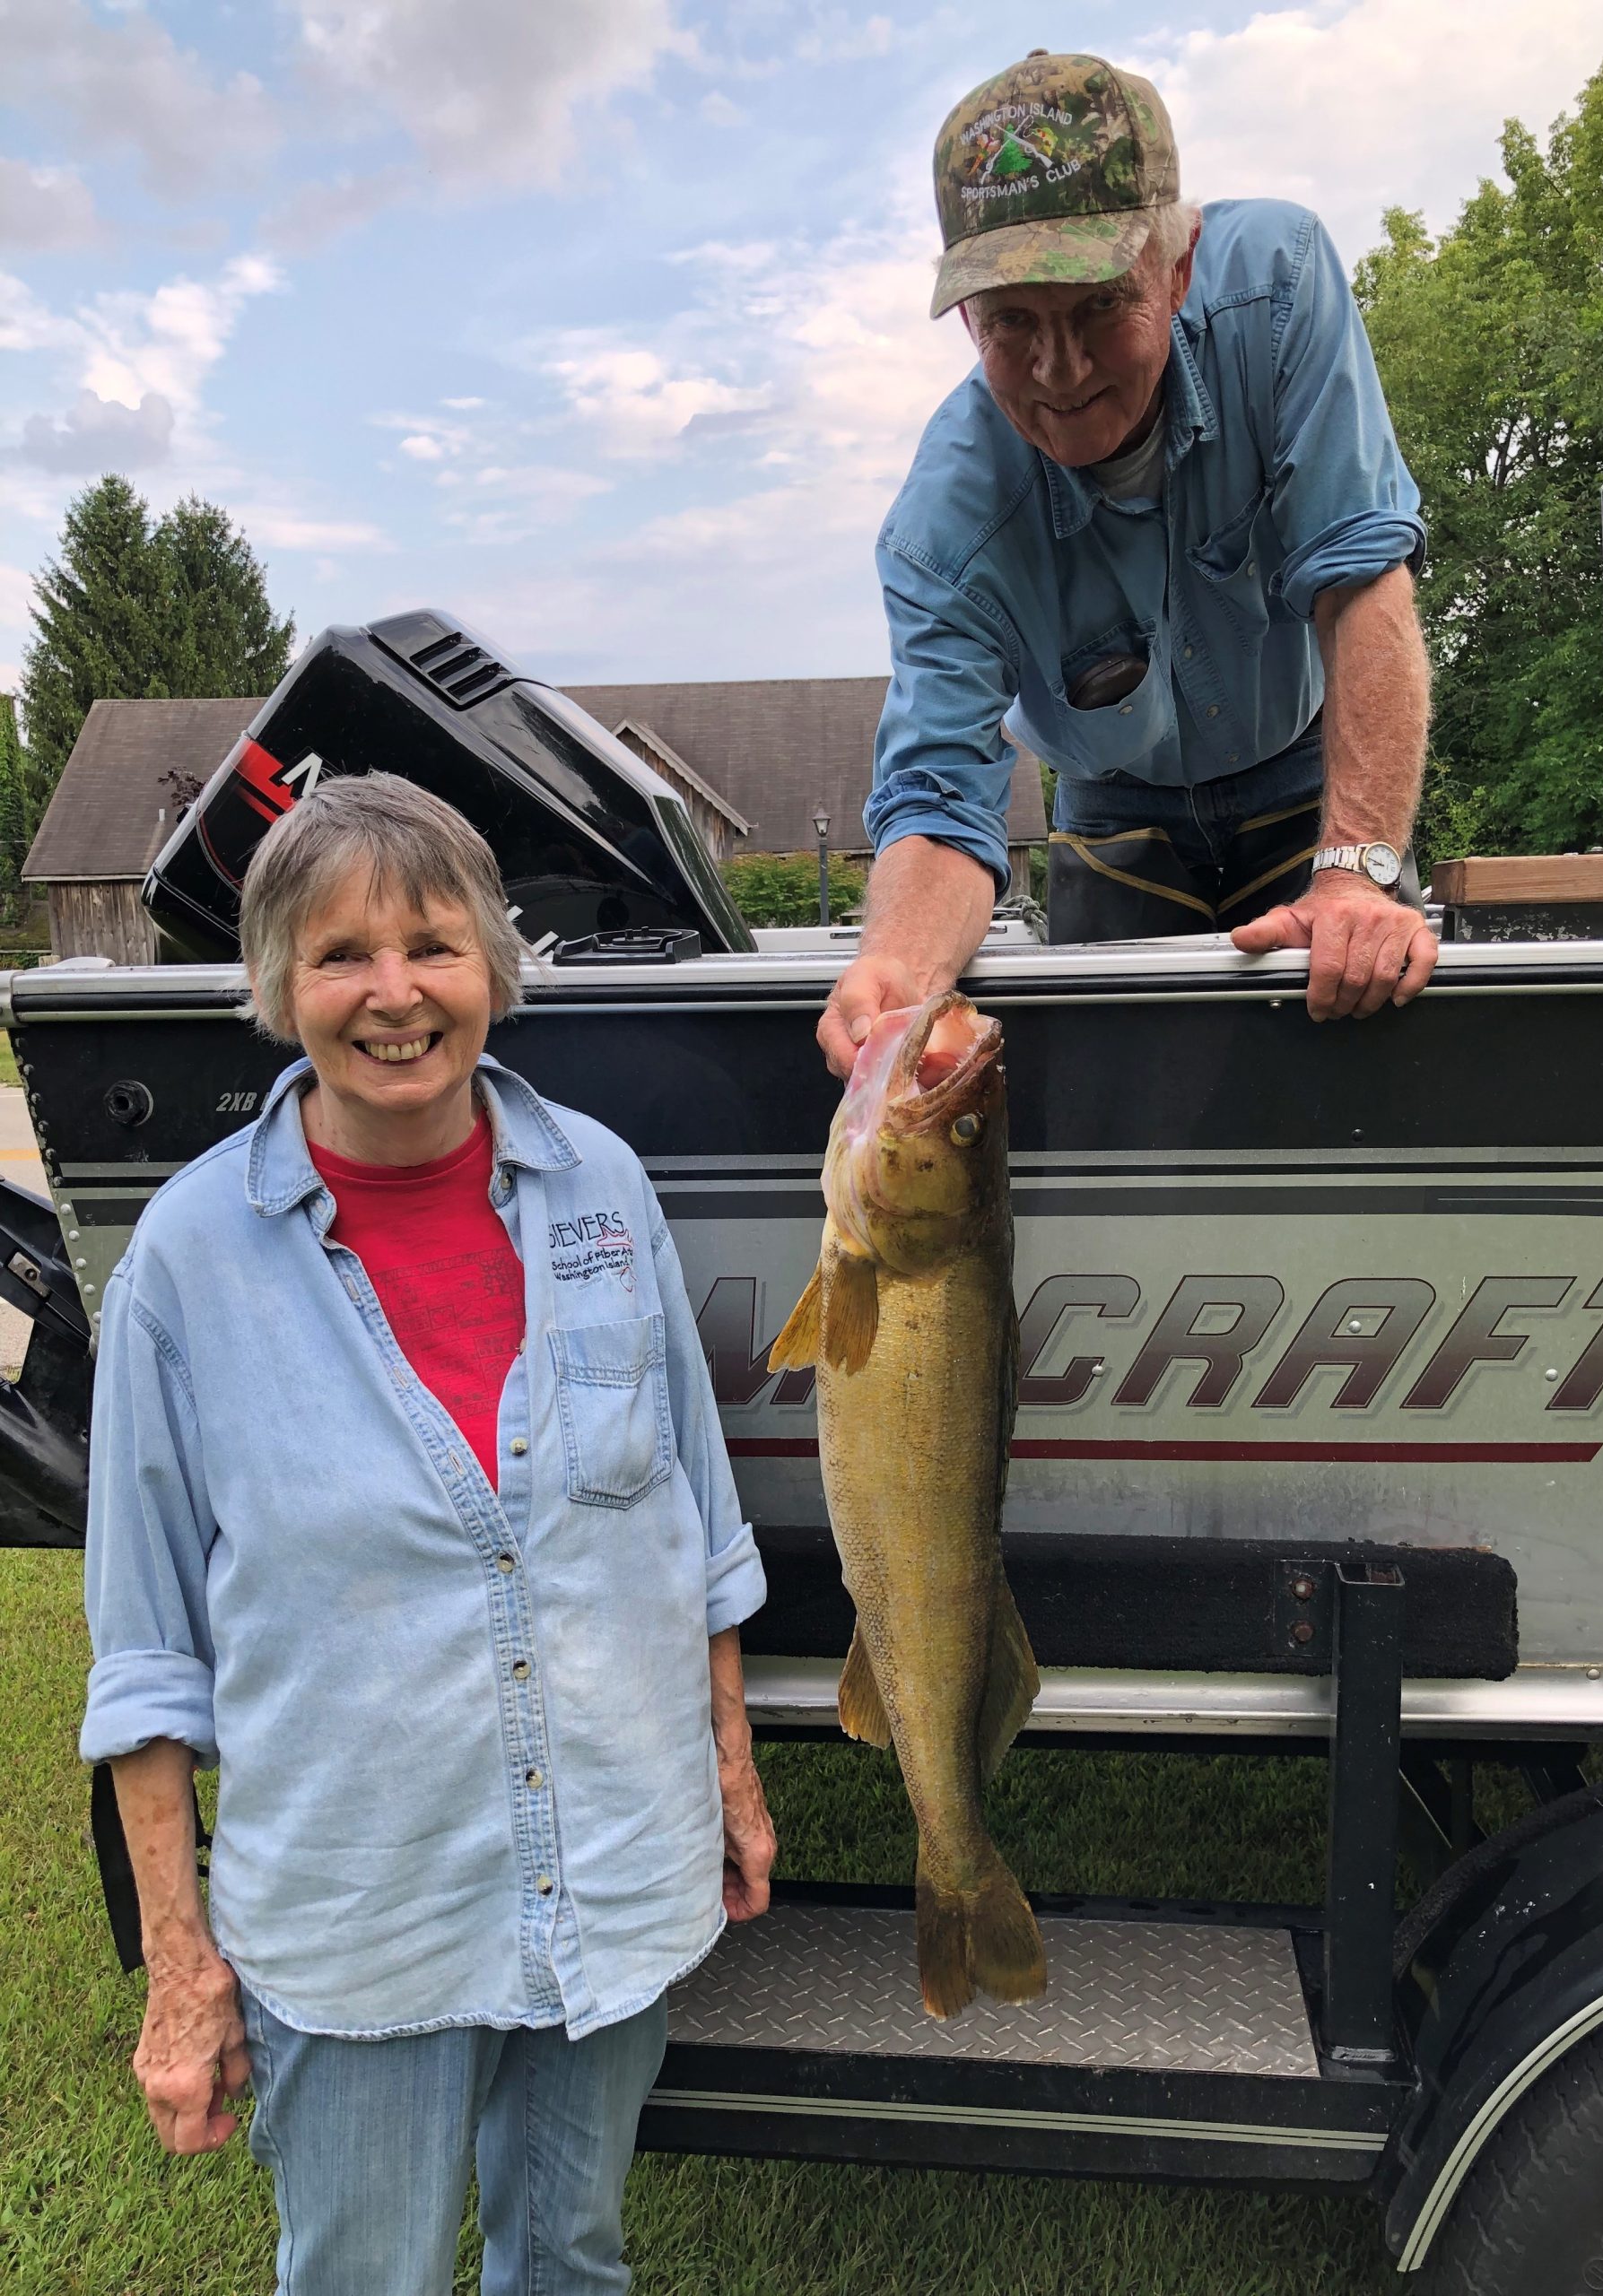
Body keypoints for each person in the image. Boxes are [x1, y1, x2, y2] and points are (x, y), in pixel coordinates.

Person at [79, 773, 776, 2296]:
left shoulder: (599, 1187)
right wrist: (183, 1968)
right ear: (278, 986)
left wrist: (727, 1766)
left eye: (433, 946)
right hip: (361, 1915)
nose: (394, 994)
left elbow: (694, 1518)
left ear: (494, 969)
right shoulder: (190, 1262)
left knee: (572, 2259)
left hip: (608, 1865)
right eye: (340, 956)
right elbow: (143, 1655)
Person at [821, 49, 1436, 1078]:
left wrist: (1357, 878)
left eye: (1099, 305)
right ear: (969, 314)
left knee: (1375, 1071)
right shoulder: (941, 528)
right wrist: (899, 965)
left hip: (1309, 774)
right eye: (1013, 321)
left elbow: (1363, 584)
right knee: (1120, 1109)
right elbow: (940, 793)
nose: (1058, 375)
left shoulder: (1279, 290)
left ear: (1179, 265)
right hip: (1113, 807)